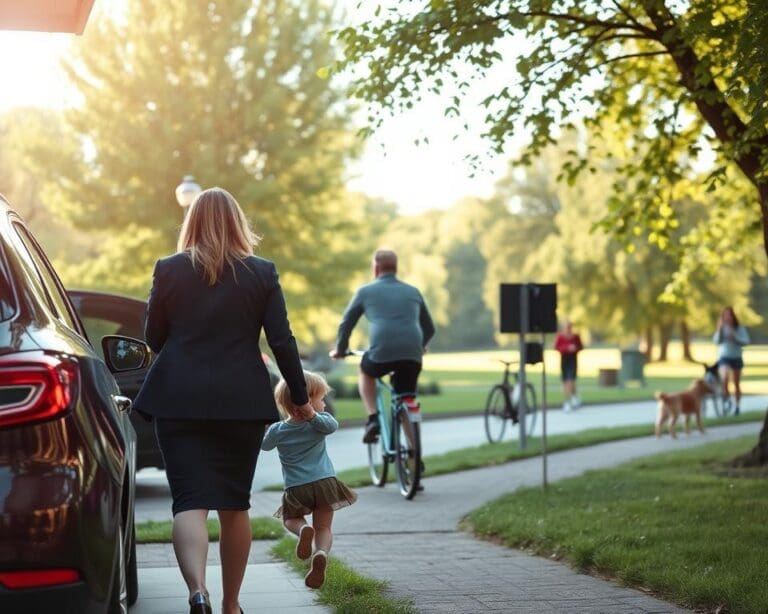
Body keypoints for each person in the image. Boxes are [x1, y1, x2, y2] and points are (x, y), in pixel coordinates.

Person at [133, 187, 313, 614]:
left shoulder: (169, 269)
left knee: (189, 502)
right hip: (241, 402)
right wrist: (300, 398)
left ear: (191, 223)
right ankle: (231, 604)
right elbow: (282, 340)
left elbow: (153, 338)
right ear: (238, 223)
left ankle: (198, 592)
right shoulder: (262, 273)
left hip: (177, 399)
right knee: (234, 505)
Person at [262, 371, 357, 589]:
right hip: (325, 484)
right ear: (309, 401)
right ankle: (321, 552)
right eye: (322, 399)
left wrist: (264, 426)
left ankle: (302, 530)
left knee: (290, 519)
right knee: (323, 527)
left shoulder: (279, 430)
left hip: (296, 488)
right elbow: (332, 426)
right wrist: (313, 416)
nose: (324, 404)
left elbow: (265, 446)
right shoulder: (318, 424)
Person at [330, 249, 435, 443]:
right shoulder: (413, 291)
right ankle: (414, 454)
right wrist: (420, 347)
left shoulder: (365, 291)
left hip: (381, 352)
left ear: (376, 268)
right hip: (412, 354)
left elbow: (346, 324)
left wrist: (341, 350)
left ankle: (372, 419)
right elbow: (429, 328)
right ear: (395, 268)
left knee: (366, 370)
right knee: (407, 398)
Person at [713, 306, 750, 415]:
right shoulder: (721, 328)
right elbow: (716, 341)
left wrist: (736, 338)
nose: (728, 317)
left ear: (733, 316)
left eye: (729, 315)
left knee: (736, 383)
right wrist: (720, 330)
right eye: (725, 315)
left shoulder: (739, 328)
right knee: (724, 377)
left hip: (736, 357)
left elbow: (746, 341)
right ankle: (727, 398)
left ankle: (737, 406)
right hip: (724, 357)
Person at [554, 320, 583, 412]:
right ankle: (568, 400)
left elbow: (581, 347)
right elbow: (556, 347)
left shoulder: (575, 337)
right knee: (565, 381)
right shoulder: (560, 337)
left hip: (573, 360)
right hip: (564, 360)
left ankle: (571, 398)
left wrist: (575, 348)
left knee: (571, 381)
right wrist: (567, 348)